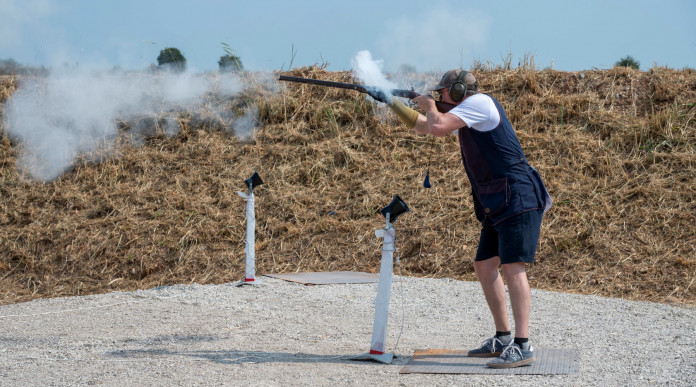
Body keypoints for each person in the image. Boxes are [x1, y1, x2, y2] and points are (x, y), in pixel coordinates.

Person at [371, 69, 551, 368]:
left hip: (517, 196)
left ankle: (523, 344)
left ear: (456, 92)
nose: (439, 98)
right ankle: (504, 337)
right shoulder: (466, 113)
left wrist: (427, 103)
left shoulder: (479, 104)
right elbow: (424, 127)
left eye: (442, 93)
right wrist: (391, 101)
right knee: (484, 265)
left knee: (512, 267)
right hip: (499, 200)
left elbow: (436, 125)